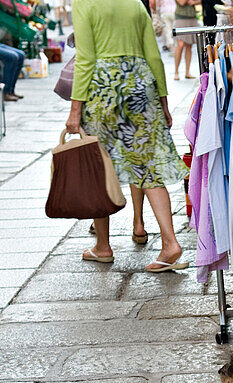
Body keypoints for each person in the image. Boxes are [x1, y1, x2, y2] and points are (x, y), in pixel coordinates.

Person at [67, 0, 189, 271]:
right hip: (141, 87)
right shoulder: (135, 3)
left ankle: (103, 246)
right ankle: (170, 244)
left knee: (99, 168)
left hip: (104, 89)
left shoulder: (84, 3)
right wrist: (163, 102)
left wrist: (75, 109)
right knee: (147, 168)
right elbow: (154, 56)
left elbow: (85, 58)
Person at [173, 0, 198, 80]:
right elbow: (181, 2)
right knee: (180, 45)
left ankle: (187, 72)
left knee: (189, 46)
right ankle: (176, 72)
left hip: (192, 17)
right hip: (180, 18)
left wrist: (195, 2)